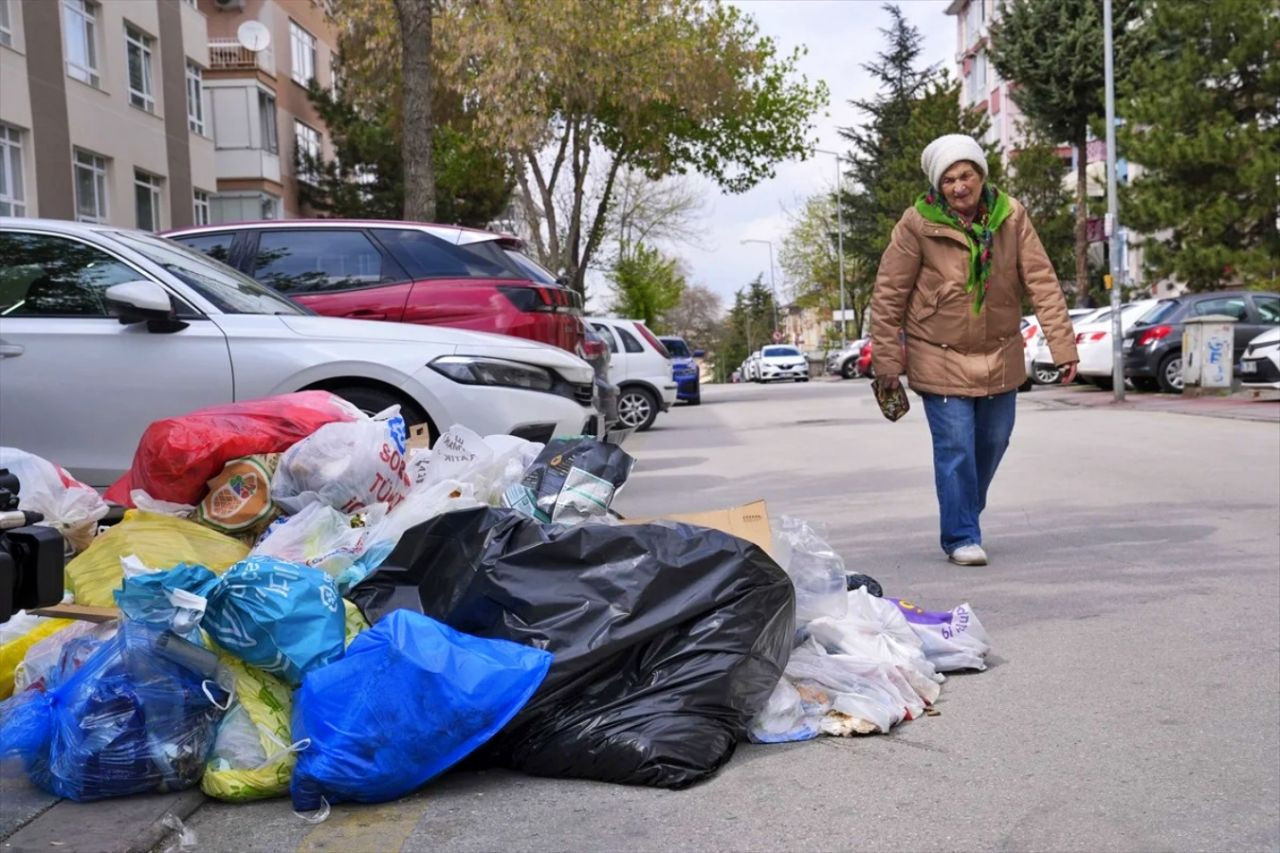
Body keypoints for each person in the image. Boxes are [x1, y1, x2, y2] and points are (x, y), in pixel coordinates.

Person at [869, 133, 1078, 566]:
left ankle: (963, 508)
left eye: (966, 175)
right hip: (937, 349)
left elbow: (1042, 281)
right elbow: (889, 294)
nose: (959, 186)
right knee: (957, 446)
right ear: (936, 186)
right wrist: (887, 360)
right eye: (949, 180)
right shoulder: (916, 224)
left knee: (995, 440)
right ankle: (961, 534)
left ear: (981, 175)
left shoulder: (1011, 216)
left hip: (1000, 349)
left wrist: (1063, 346)